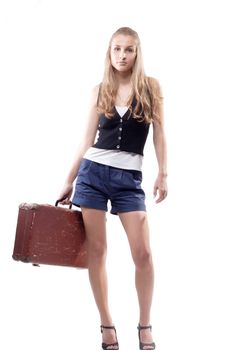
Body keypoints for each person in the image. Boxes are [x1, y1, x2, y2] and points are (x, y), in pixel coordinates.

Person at [58, 26, 167, 350]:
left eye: (128, 49)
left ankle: (144, 325)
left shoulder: (151, 88)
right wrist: (69, 179)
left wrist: (164, 173)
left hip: (128, 181)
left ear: (137, 52)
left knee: (143, 254)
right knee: (97, 251)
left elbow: (160, 134)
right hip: (93, 175)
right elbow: (85, 140)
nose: (122, 55)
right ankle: (107, 325)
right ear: (109, 51)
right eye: (117, 49)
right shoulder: (99, 90)